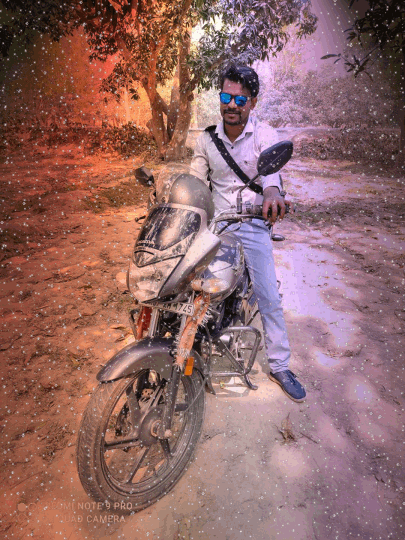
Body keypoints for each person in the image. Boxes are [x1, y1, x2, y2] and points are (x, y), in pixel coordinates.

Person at [190, 64, 306, 402]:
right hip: (217, 225)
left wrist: (272, 194)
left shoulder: (264, 134)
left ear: (252, 103)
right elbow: (195, 181)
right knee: (193, 285)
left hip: (252, 223)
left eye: (240, 99)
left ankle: (280, 365)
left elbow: (271, 177)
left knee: (269, 297)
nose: (232, 105)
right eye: (226, 97)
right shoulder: (206, 139)